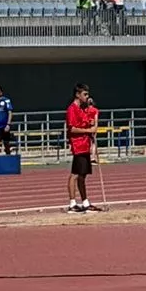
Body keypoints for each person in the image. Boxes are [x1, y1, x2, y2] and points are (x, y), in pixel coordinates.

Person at [65, 84, 98, 213]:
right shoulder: (72, 109)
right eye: (85, 94)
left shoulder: (81, 109)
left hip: (85, 145)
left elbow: (85, 123)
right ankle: (72, 203)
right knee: (75, 174)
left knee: (82, 175)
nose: (87, 97)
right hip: (78, 145)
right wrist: (88, 130)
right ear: (78, 95)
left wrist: (90, 125)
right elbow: (72, 128)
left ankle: (85, 202)